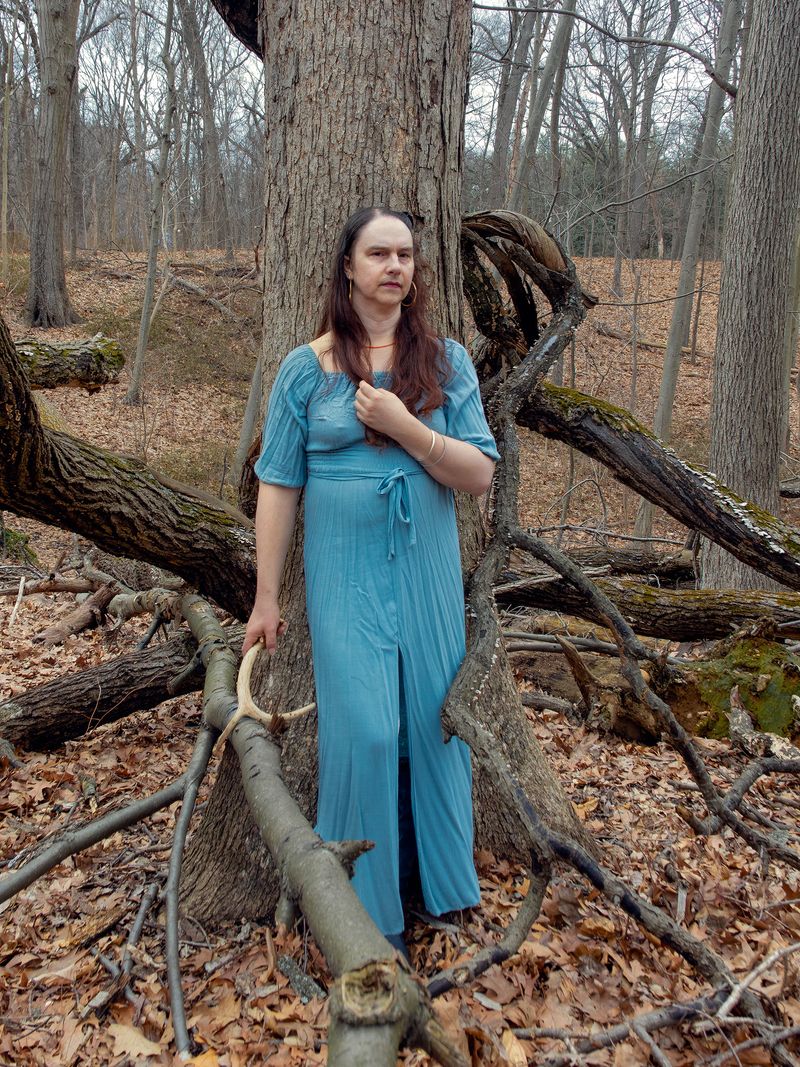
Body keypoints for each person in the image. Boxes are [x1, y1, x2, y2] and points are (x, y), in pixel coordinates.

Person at [243, 207, 500, 953]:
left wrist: (406, 424)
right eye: (378, 253)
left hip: (425, 571)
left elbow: (479, 473)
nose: (395, 266)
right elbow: (278, 485)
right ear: (348, 268)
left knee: (434, 726)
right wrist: (265, 596)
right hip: (344, 574)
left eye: (406, 255)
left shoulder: (445, 361)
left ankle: (448, 891)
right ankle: (360, 909)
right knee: (363, 729)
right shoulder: (305, 368)